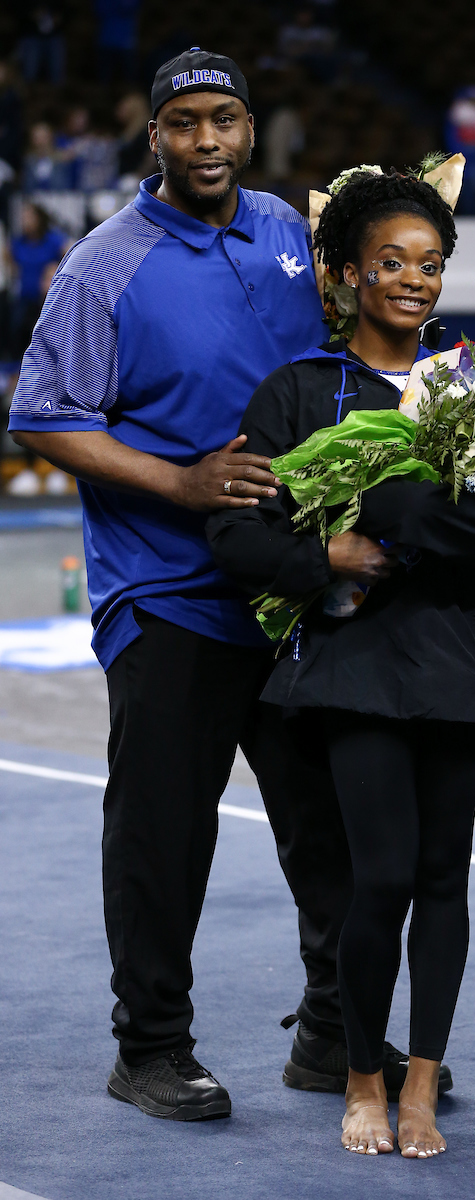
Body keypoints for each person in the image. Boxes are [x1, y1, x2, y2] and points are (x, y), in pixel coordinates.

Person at [8, 47, 388, 1123]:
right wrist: (178, 480)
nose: (207, 141)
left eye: (223, 119)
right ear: (154, 137)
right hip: (170, 594)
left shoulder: (282, 230)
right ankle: (151, 1048)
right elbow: (43, 416)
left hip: (293, 592)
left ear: (249, 127)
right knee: (165, 836)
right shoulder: (101, 267)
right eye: (185, 124)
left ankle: (332, 1035)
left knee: (332, 825)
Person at [207, 168, 475, 1157]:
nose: (413, 281)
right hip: (353, 665)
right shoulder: (298, 392)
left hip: (453, 664)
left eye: (430, 265)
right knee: (379, 878)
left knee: (444, 877)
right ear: (348, 273)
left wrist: (399, 514)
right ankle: (359, 1073)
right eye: (390, 263)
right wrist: (327, 555)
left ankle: (423, 1084)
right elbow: (236, 538)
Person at [7, 202, 67, 358]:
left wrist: (55, 271)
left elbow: (71, 253)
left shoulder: (52, 240)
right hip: (25, 299)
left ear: (39, 219)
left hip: (47, 301)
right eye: (23, 217)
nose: (25, 221)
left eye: (29, 217)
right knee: (17, 332)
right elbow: (8, 257)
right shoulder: (19, 242)